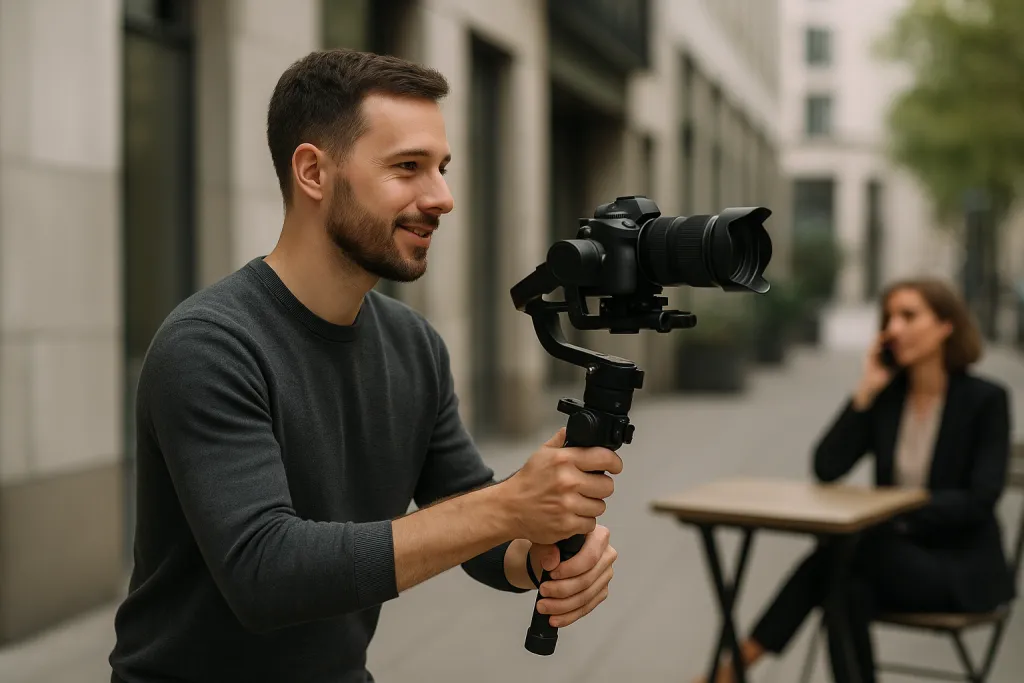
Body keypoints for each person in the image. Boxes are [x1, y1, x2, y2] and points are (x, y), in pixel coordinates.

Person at [109, 49, 622, 683]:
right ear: (313, 172)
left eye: (441, 168)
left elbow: (467, 510)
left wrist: (536, 553)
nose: (442, 198)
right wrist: (508, 506)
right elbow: (265, 572)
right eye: (407, 167)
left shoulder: (414, 344)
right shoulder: (209, 345)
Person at [695, 278, 1016, 683]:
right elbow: (827, 466)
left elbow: (980, 500)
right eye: (889, 318)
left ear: (946, 325)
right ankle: (734, 669)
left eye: (909, 316)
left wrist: (895, 510)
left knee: (843, 556)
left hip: (959, 568)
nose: (893, 328)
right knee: (844, 589)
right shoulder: (889, 396)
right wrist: (866, 391)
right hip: (885, 561)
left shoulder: (986, 400)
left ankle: (734, 668)